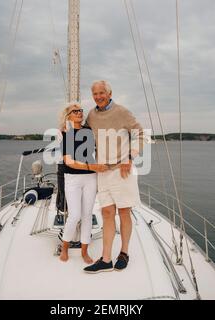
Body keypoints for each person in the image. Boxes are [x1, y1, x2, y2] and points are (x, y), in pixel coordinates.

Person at [84, 80, 144, 274]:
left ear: (110, 93)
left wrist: (130, 156)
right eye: (95, 94)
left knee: (124, 212)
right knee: (107, 213)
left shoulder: (122, 112)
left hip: (122, 170)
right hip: (103, 171)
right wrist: (64, 132)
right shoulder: (91, 115)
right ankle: (106, 259)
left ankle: (124, 253)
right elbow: (83, 135)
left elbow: (140, 135)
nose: (99, 96)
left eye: (102, 93)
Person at [59, 102, 109, 264]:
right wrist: (91, 166)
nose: (80, 113)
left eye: (80, 110)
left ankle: (84, 251)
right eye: (75, 111)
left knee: (87, 215)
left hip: (90, 178)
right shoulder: (66, 134)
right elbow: (68, 161)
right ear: (68, 116)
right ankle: (65, 247)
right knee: (74, 215)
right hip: (73, 178)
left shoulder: (89, 131)